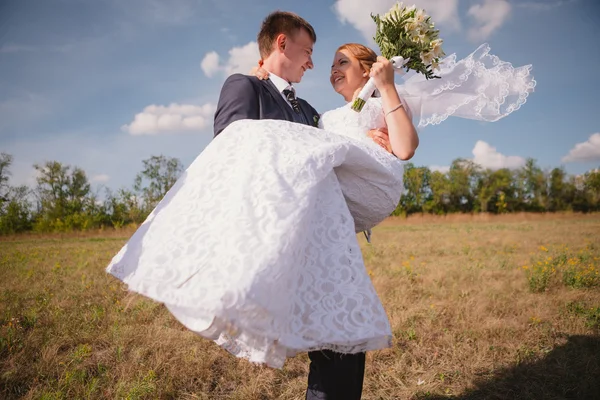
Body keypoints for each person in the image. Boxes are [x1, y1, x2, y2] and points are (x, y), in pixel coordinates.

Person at [106, 10, 535, 400]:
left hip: (319, 226)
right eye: (309, 52)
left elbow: (334, 150)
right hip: (266, 228)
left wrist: (364, 143)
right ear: (281, 43)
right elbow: (232, 147)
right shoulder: (244, 85)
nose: (314, 64)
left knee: (339, 337)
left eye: (329, 59)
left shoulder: (314, 112)